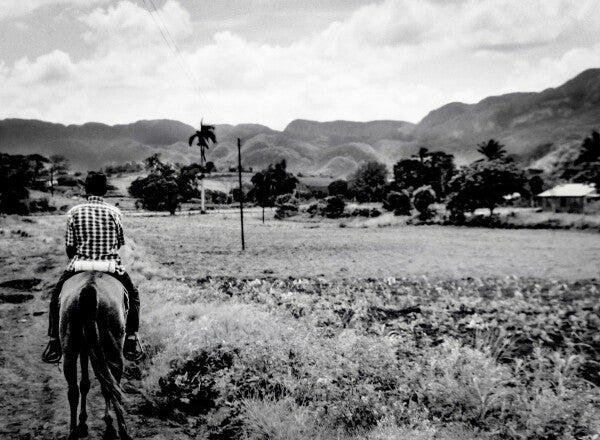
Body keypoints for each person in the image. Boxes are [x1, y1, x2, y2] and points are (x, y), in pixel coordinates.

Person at [42, 171, 143, 363]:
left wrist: (81, 257)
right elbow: (120, 243)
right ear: (105, 191)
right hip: (110, 266)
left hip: (80, 264)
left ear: (85, 190)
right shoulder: (115, 212)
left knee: (56, 295)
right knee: (133, 294)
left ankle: (54, 340)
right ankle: (131, 338)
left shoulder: (73, 212)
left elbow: (70, 247)